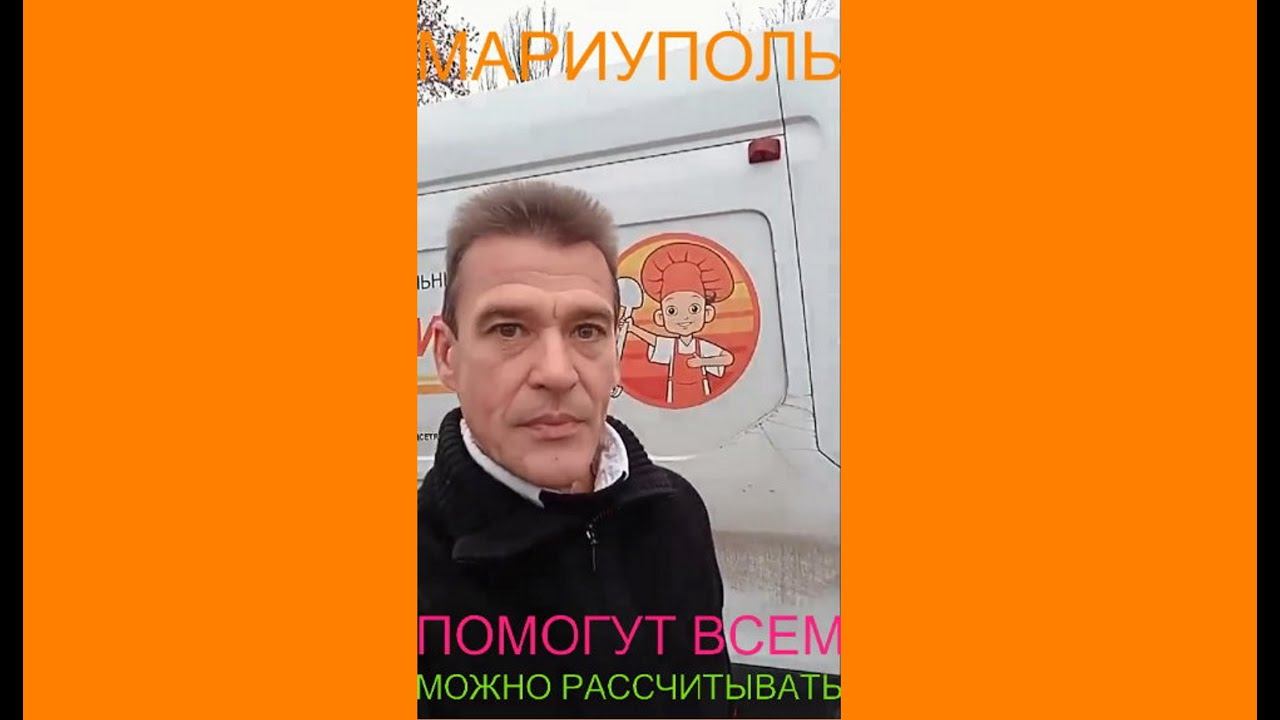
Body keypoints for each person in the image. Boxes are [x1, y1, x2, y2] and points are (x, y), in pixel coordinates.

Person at [418, 180, 732, 718]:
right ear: (448, 356)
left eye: (586, 330)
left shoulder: (676, 512)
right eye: (509, 329)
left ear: (616, 354)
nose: (558, 372)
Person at [620, 242, 737, 406]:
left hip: (701, 396)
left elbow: (728, 359)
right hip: (674, 392)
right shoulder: (671, 345)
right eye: (672, 311)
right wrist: (632, 328)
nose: (684, 318)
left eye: (694, 309)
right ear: (660, 317)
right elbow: (654, 340)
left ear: (707, 313)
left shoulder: (701, 346)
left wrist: (702, 362)